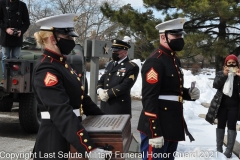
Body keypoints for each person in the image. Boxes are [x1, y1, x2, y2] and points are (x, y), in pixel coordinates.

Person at [32, 13, 110, 160]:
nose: (72, 41)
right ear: (52, 39)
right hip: (55, 139)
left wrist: (104, 119)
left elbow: (82, 99)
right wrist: (88, 149)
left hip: (70, 133)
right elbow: (61, 111)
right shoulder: (47, 69)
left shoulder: (62, 64)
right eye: (68, 38)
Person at [137, 18, 200, 160]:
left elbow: (169, 90)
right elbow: (149, 98)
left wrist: (187, 93)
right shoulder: (155, 60)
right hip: (158, 126)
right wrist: (154, 132)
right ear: (162, 36)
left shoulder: (173, 59)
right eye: (175, 35)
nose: (179, 38)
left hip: (172, 124)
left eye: (180, 35)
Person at [206, 54, 240, 158]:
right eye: (229, 63)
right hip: (221, 105)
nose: (231, 65)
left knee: (231, 126)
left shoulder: (238, 75)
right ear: (225, 64)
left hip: (234, 106)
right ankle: (219, 148)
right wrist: (224, 75)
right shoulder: (221, 73)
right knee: (220, 125)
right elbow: (215, 85)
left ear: (237, 64)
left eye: (233, 63)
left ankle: (229, 150)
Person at [96, 37, 139, 116]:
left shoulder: (131, 67)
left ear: (125, 53)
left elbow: (125, 85)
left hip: (119, 107)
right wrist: (99, 89)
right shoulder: (110, 64)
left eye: (116, 51)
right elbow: (103, 79)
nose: (113, 53)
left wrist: (108, 94)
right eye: (112, 50)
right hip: (105, 105)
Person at [0, 0, 30, 83]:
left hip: (17, 36)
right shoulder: (2, 3)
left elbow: (27, 22)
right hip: (5, 36)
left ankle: (15, 77)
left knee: (16, 58)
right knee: (5, 57)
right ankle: (5, 78)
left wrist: (21, 31)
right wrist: (6, 29)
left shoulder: (22, 5)